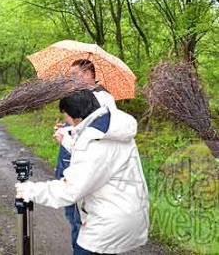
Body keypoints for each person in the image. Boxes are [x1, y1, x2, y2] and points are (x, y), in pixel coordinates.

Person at [16, 90, 149, 255]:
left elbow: (71, 189)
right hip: (127, 212)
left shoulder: (94, 141)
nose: (66, 121)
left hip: (106, 223)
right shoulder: (111, 127)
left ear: (75, 116)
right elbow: (99, 163)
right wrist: (67, 139)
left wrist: (31, 190)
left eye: (65, 116)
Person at [55, 59, 117, 248]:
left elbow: (101, 134)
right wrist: (65, 128)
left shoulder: (104, 99)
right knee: (71, 215)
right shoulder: (78, 95)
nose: (71, 78)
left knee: (81, 223)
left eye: (76, 74)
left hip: (85, 169)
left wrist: (68, 136)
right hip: (69, 163)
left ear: (90, 74)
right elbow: (80, 125)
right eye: (70, 75)